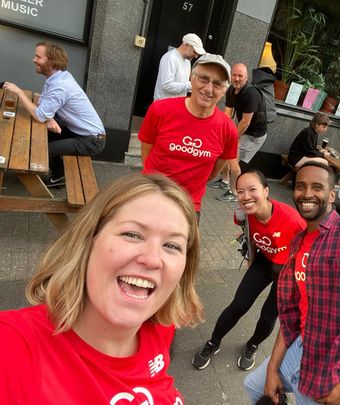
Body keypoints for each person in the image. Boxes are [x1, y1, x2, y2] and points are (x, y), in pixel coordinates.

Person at [0, 173, 204, 403]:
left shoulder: (159, 329)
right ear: (88, 241)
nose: (152, 259)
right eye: (132, 234)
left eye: (171, 245)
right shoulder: (13, 349)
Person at [244, 162, 340, 405]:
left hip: (335, 363)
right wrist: (273, 367)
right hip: (301, 345)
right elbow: (291, 312)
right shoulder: (298, 243)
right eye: (300, 187)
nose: (307, 194)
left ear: (331, 195)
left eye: (317, 187)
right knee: (253, 386)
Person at [193, 170, 306, 371]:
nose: (245, 196)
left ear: (266, 190)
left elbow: (311, 247)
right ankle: (213, 342)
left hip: (288, 273)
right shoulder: (245, 214)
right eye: (240, 191)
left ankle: (252, 345)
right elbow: (246, 233)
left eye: (252, 189)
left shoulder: (292, 219)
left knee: (268, 316)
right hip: (263, 263)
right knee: (238, 305)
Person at [139, 53, 238, 214]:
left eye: (217, 84)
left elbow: (214, 171)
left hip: (189, 206)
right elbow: (146, 155)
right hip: (149, 196)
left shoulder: (228, 130)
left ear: (224, 91)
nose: (208, 89)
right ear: (192, 78)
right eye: (203, 79)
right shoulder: (160, 110)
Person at [3, 42, 105, 187]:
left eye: (38, 57)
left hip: (92, 140)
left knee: (42, 149)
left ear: (51, 61)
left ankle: (57, 178)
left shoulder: (61, 85)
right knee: (39, 137)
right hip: (77, 131)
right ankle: (56, 173)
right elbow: (42, 104)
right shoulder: (56, 78)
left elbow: (39, 115)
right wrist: (49, 118)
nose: (33, 60)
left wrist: (19, 92)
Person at [209, 63, 268, 203]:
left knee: (232, 160)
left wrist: (231, 138)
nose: (236, 78)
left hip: (254, 134)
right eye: (234, 75)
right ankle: (224, 181)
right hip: (244, 129)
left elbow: (245, 122)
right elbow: (227, 112)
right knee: (226, 152)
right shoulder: (231, 90)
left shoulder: (251, 94)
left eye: (240, 76)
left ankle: (235, 192)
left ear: (246, 77)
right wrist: (222, 129)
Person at [153, 33, 206, 100]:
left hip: (175, 104)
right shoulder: (170, 58)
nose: (196, 56)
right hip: (163, 105)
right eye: (194, 52)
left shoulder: (187, 61)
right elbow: (166, 86)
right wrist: (190, 85)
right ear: (186, 44)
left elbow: (182, 85)